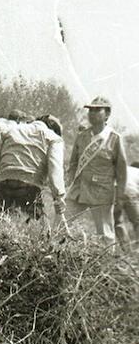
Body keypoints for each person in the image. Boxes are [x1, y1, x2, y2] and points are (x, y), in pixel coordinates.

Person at [0, 115, 66, 224]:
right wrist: (59, 195)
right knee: (33, 232)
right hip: (30, 185)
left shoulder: (11, 130)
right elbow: (55, 167)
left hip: (3, 183)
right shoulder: (53, 137)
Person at [66, 96, 128, 245]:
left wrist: (120, 196)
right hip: (78, 190)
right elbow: (73, 163)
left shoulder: (114, 138)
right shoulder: (82, 136)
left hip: (101, 192)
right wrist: (69, 181)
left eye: (97, 110)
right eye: (90, 110)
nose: (92, 113)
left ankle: (105, 265)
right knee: (61, 222)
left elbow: (121, 171)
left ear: (107, 114)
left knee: (105, 235)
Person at [114, 162, 139, 251]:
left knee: (118, 222)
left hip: (115, 192)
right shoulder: (137, 171)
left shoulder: (124, 168)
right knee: (137, 221)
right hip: (131, 192)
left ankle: (126, 249)